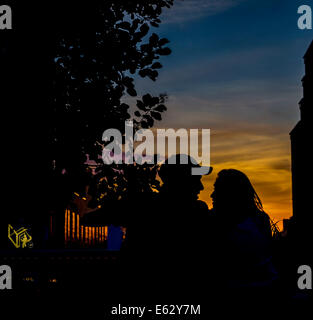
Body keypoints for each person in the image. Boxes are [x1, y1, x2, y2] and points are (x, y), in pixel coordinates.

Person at [208, 169, 278, 301]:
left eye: (217, 190)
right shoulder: (260, 219)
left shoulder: (215, 222)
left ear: (230, 194)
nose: (212, 195)